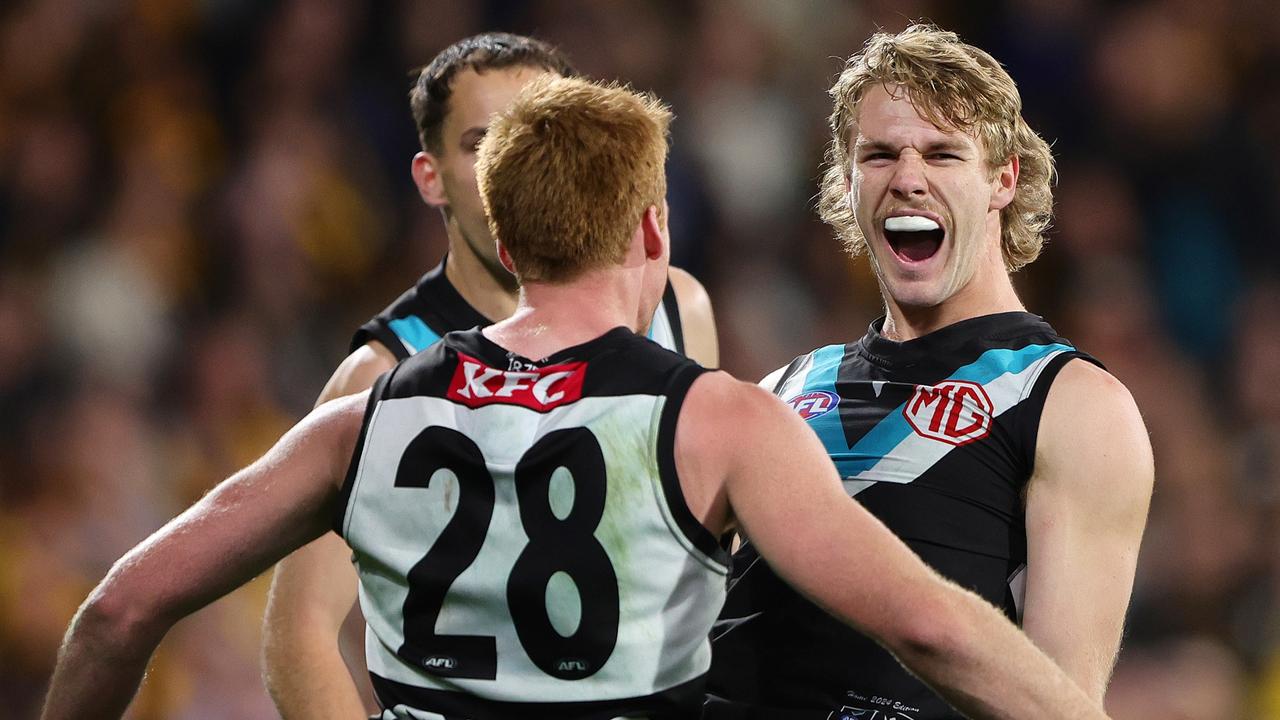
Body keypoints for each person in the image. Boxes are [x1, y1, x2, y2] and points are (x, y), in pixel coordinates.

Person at [40, 74, 1112, 720]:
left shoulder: (361, 418)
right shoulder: (719, 420)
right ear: (652, 230)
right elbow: (933, 629)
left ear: (504, 242)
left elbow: (117, 610)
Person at [260, 32, 719, 718]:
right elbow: (298, 632)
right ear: (429, 176)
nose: (513, 168)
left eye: (536, 138)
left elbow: (713, 566)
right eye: (482, 143)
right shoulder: (384, 374)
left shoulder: (679, 306)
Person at [705, 24, 1154, 719]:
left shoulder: (1071, 403)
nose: (907, 178)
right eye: (878, 155)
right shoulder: (783, 389)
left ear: (1002, 180)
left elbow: (1055, 705)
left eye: (943, 154)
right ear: (848, 183)